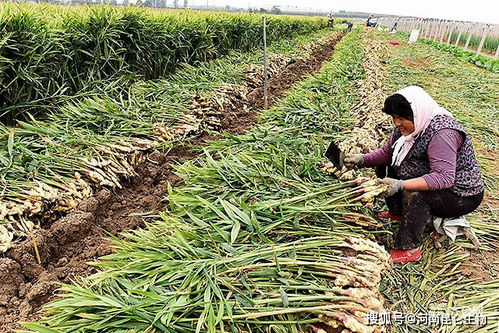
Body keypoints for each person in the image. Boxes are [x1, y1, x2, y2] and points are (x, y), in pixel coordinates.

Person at [343, 86, 484, 264]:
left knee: (415, 193)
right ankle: (398, 213)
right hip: (440, 181)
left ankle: (410, 248)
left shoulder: (443, 133)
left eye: (401, 118)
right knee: (391, 165)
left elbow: (444, 178)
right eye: (394, 118)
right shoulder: (408, 127)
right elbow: (387, 154)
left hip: (461, 194)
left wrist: (401, 185)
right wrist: (361, 159)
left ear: (416, 114)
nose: (396, 123)